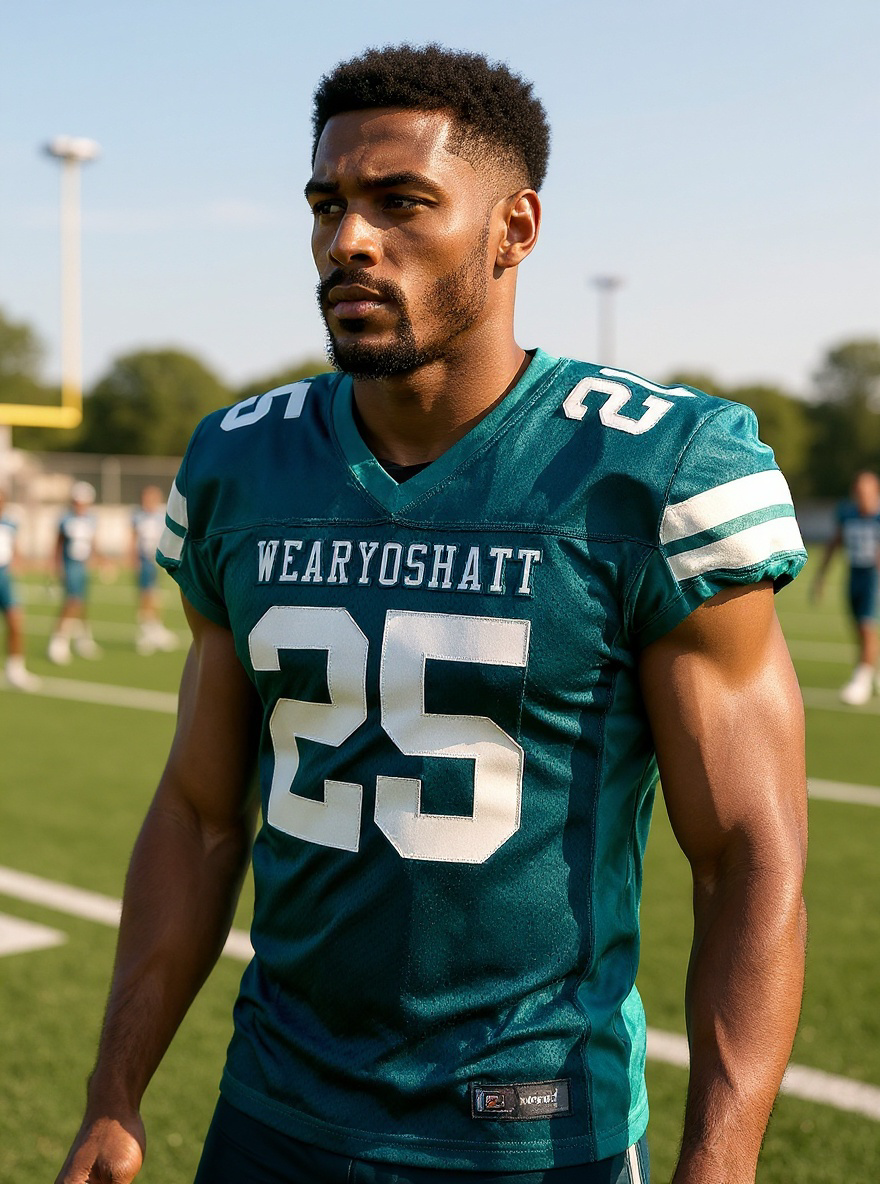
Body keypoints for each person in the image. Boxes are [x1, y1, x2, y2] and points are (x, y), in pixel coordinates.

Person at [57, 46, 809, 1184]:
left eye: (401, 203)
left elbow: (748, 853)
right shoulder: (238, 463)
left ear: (514, 228)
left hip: (533, 1131)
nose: (349, 239)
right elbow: (203, 812)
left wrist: (722, 1158)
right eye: (328, 204)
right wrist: (115, 1089)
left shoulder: (657, 468)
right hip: (271, 1115)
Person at [812, 469, 880, 705]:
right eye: (859, 492)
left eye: (867, 492)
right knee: (859, 628)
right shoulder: (847, 514)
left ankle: (861, 679)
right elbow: (835, 543)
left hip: (874, 577)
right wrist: (820, 577)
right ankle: (871, 671)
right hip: (855, 575)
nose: (863, 496)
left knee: (866, 626)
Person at [48, 481, 103, 664]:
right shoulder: (65, 519)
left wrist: (100, 560)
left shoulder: (91, 519)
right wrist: (57, 566)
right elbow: (58, 544)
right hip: (70, 565)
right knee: (72, 601)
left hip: (83, 565)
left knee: (81, 602)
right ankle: (59, 640)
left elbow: (92, 544)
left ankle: (83, 638)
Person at [131, 484, 179, 655]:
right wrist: (133, 560)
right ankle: (146, 630)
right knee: (146, 595)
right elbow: (132, 540)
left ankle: (155, 627)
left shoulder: (161, 517)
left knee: (154, 594)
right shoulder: (138, 516)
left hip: (156, 561)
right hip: (144, 561)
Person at [0, 488, 40, 691]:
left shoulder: (9, 523)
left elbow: (13, 548)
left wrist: (19, 562)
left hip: (4, 578)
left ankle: (15, 669)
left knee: (16, 621)